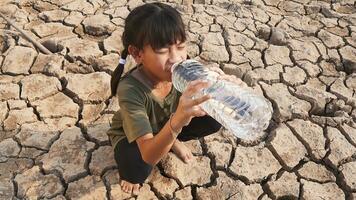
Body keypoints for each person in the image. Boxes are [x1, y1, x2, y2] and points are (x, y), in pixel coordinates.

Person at [107, 2, 245, 195]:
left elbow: (223, 103)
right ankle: (169, 140)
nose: (176, 58)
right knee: (137, 170)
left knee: (214, 119)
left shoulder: (185, 69)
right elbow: (148, 154)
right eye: (163, 51)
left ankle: (170, 140)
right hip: (132, 136)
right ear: (137, 54)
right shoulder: (130, 89)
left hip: (169, 121)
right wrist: (177, 122)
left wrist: (227, 89)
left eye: (180, 46)